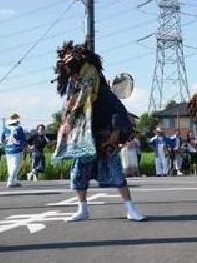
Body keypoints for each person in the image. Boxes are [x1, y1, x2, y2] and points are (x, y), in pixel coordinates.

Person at [53, 41, 145, 222]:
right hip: (83, 139)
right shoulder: (73, 95)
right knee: (79, 172)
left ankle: (130, 208)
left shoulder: (103, 92)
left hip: (105, 138)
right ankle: (82, 209)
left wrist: (116, 132)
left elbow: (120, 112)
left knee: (117, 172)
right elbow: (70, 113)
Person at [1, 113, 26, 188]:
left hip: (8, 149)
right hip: (17, 149)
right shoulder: (18, 128)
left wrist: (5, 144)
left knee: (10, 165)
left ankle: (14, 180)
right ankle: (11, 181)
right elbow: (22, 138)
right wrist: (24, 145)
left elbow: (2, 139)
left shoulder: (6, 128)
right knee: (16, 165)